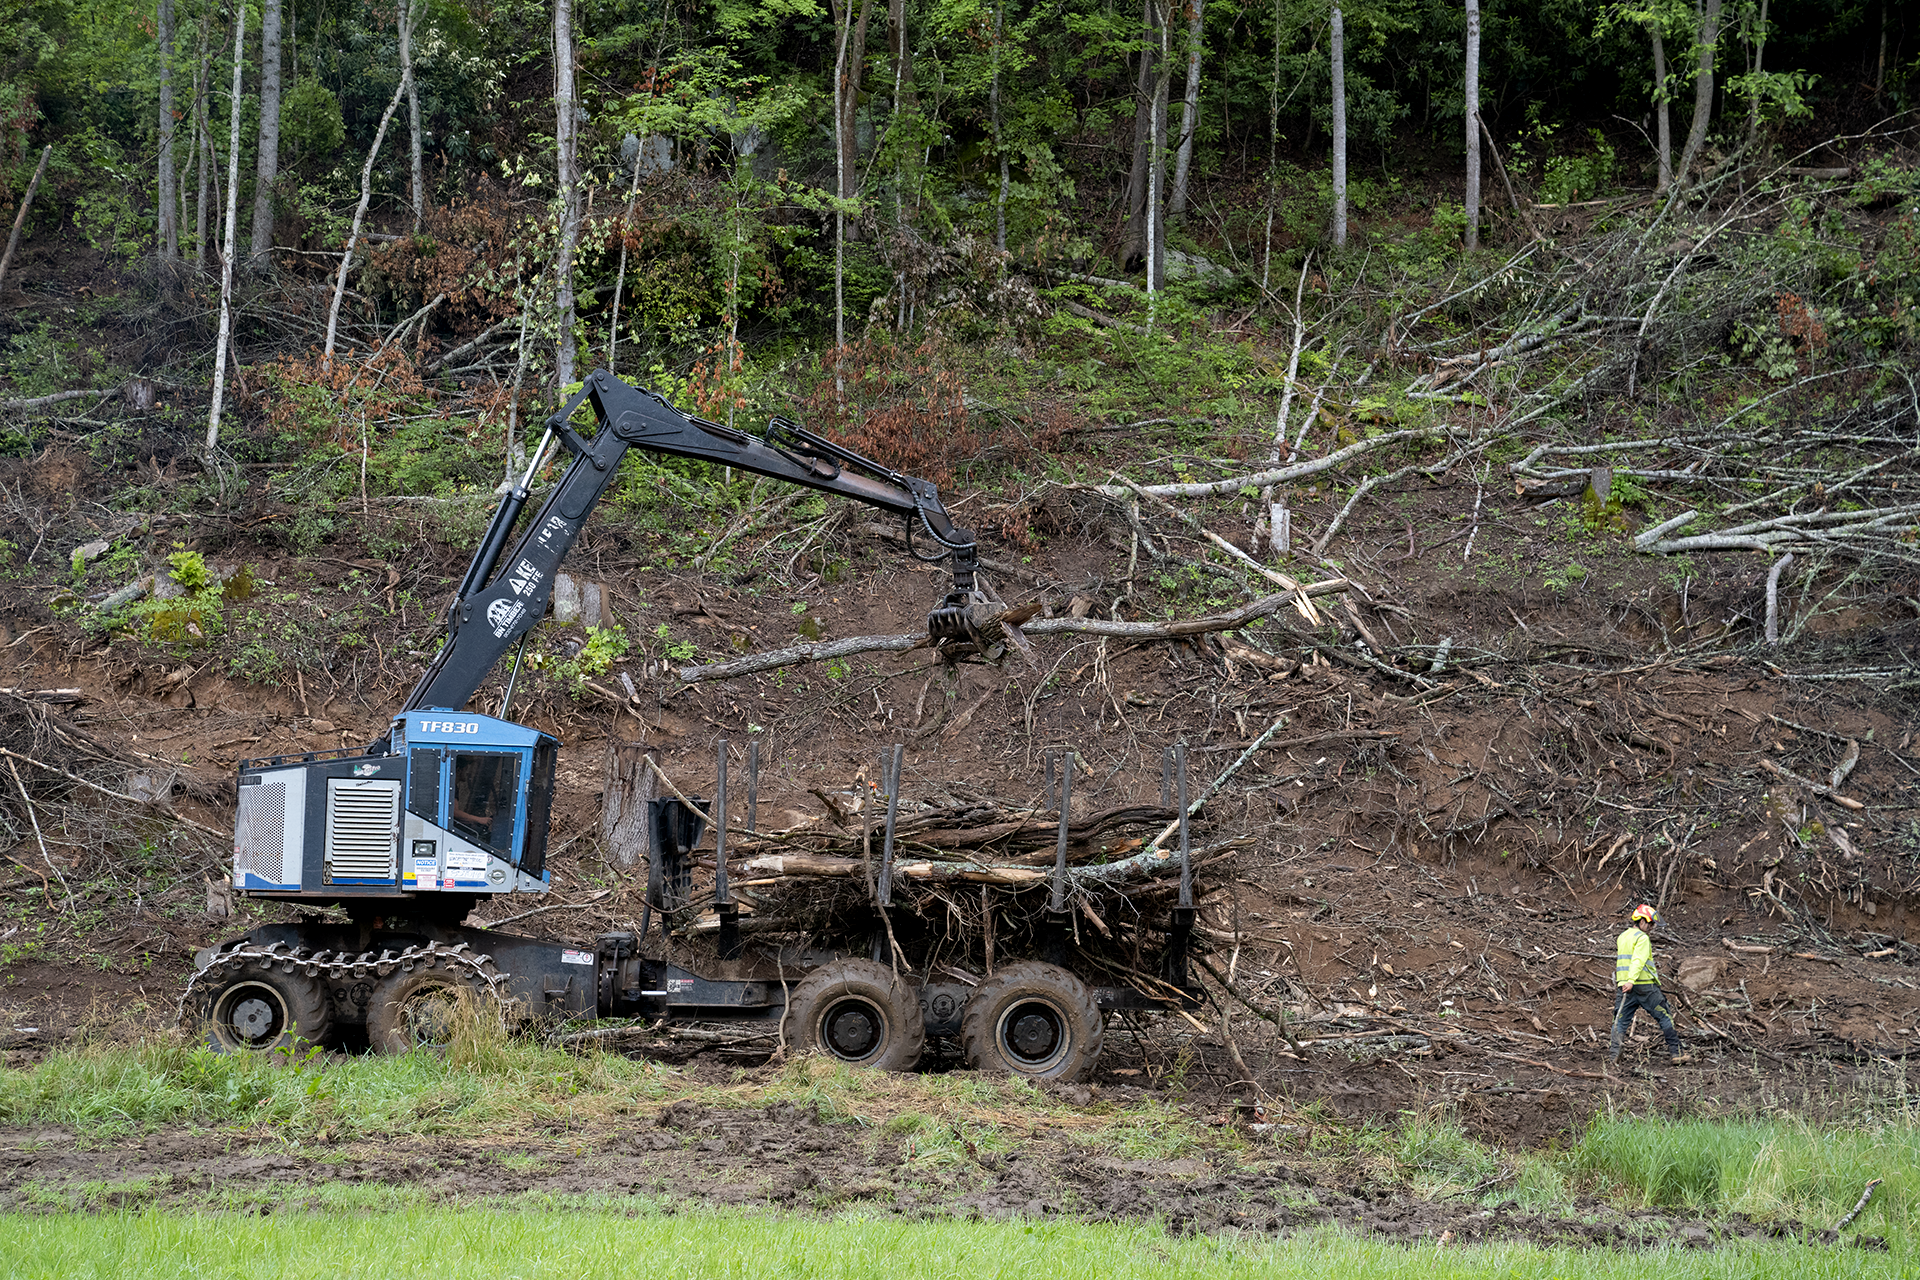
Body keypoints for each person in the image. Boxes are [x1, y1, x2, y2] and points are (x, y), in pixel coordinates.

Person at [1610, 903, 1693, 1066]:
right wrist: (1631, 980)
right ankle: (1676, 1053)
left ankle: (1614, 1057)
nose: (1651, 927)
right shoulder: (1642, 938)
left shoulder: (1623, 936)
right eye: (1650, 923)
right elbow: (1638, 961)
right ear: (1641, 921)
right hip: (1644, 986)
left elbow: (1624, 961)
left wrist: (1626, 982)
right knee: (1664, 1016)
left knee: (1619, 1020)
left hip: (1624, 987)